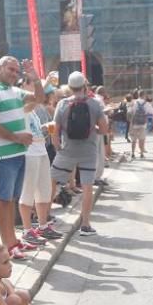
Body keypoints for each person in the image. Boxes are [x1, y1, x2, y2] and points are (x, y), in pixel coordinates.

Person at [0, 57, 45, 259]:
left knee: (11, 199)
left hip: (18, 152)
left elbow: (39, 99)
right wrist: (16, 137)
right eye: (11, 69)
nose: (14, 73)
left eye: (17, 71)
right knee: (4, 199)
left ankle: (13, 241)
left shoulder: (15, 91)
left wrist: (36, 79)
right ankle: (8, 244)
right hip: (3, 154)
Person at [51, 71, 108, 237]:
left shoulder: (62, 104)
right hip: (88, 152)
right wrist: (93, 130)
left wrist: (57, 147)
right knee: (87, 187)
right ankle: (85, 224)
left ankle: (43, 220)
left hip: (67, 151)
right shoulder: (95, 104)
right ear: (85, 86)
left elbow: (55, 129)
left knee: (52, 181)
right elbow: (104, 129)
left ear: (69, 87)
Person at [18, 96, 56, 247]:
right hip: (29, 153)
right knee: (27, 193)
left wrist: (45, 127)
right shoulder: (22, 109)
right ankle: (27, 230)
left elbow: (35, 131)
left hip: (41, 151)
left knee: (44, 191)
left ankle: (43, 226)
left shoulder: (33, 112)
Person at [128, 90, 152, 159]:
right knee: (141, 139)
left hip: (134, 124)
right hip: (143, 124)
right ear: (144, 95)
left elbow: (129, 112)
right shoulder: (146, 103)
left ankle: (132, 153)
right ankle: (141, 153)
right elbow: (151, 111)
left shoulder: (134, 102)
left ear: (138, 95)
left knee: (134, 139)